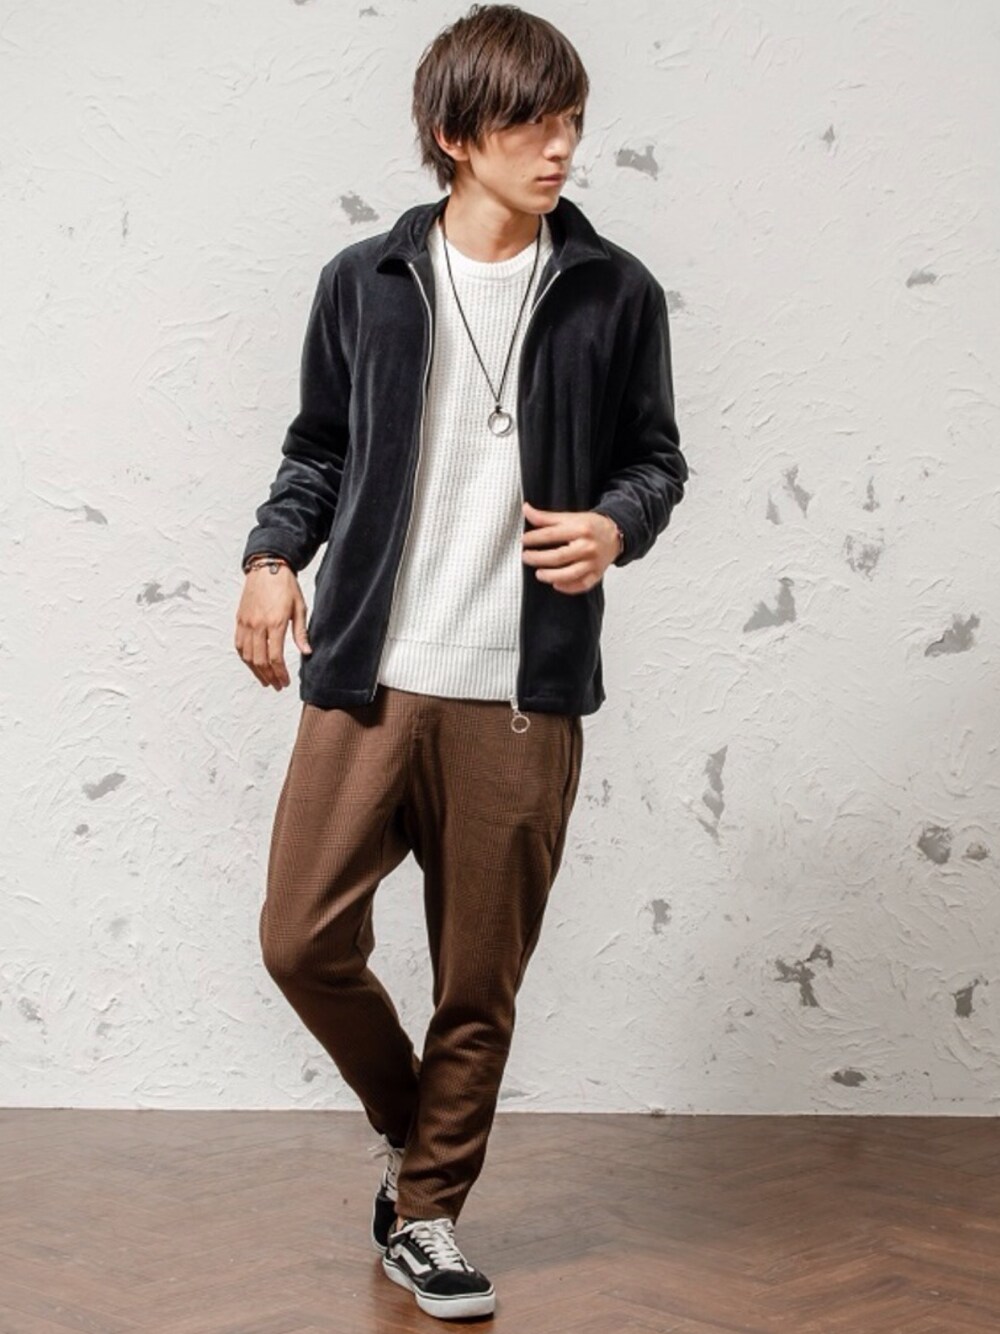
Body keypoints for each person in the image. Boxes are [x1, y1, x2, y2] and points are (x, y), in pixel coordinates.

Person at [233, 2, 687, 1320]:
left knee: (477, 983)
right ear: (456, 135)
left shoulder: (615, 293)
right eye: (532, 124)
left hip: (521, 696)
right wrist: (274, 556)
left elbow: (657, 459)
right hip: (370, 673)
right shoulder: (365, 282)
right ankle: (413, 1123)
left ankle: (427, 1212)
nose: (561, 148)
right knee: (300, 938)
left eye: (572, 122)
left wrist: (618, 523)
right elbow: (318, 449)